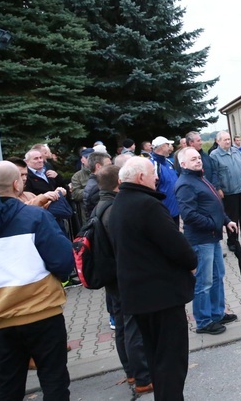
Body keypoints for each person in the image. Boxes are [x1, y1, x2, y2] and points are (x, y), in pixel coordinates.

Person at [0, 161, 74, 400]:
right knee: (54, 381)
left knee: (7, 386)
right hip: (41, 313)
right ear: (17, 184)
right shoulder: (35, 216)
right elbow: (63, 261)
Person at [110, 157, 197, 400]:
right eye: (152, 173)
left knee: (155, 356)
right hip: (162, 297)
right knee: (171, 360)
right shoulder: (147, 205)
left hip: (138, 297)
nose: (156, 177)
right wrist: (191, 264)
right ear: (140, 178)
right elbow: (177, 246)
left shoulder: (119, 203)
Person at [96, 165, 153, 394]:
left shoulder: (102, 205)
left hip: (113, 275)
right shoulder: (113, 209)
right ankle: (142, 378)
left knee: (122, 325)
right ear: (119, 183)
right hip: (122, 276)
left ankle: (131, 372)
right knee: (132, 326)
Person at [175, 147, 239, 334]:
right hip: (201, 240)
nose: (198, 161)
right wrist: (213, 224)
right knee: (203, 282)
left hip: (212, 237)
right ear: (184, 164)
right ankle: (203, 321)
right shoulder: (185, 183)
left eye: (198, 158)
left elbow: (213, 205)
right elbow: (188, 215)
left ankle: (217, 313)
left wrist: (226, 220)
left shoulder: (199, 177)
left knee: (217, 276)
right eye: (193, 159)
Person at [210, 131, 241, 248]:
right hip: (228, 192)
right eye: (224, 140)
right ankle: (232, 241)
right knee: (232, 218)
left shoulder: (236, 151)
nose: (228, 141)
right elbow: (214, 174)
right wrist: (218, 188)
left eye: (228, 139)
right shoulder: (214, 155)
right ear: (218, 141)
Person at [149, 136, 181, 224]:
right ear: (162, 146)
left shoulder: (168, 162)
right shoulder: (153, 165)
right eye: (168, 145)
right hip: (163, 213)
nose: (170, 147)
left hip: (175, 210)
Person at [83, 151, 112, 217]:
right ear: (98, 166)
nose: (112, 168)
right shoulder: (97, 187)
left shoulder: (96, 183)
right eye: (109, 165)